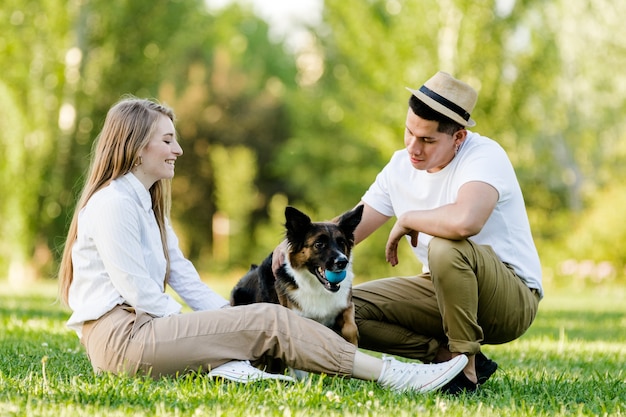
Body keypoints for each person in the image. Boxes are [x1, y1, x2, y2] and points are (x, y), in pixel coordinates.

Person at [57, 96, 468, 393]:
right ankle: (395, 375)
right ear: (134, 145)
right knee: (270, 320)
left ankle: (231, 367)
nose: (178, 149)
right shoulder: (112, 203)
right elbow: (141, 294)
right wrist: (223, 332)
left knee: (256, 318)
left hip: (142, 331)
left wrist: (228, 321)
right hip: (124, 339)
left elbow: (182, 276)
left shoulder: (146, 206)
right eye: (167, 141)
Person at [345, 71, 543, 394]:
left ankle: (464, 373)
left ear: (458, 138)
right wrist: (289, 249)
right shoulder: (398, 167)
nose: (413, 147)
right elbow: (348, 230)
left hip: (510, 297)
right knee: (345, 309)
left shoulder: (484, 156)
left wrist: (409, 218)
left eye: (427, 140)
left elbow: (466, 221)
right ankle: (444, 357)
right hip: (444, 292)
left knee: (445, 247)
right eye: (409, 132)